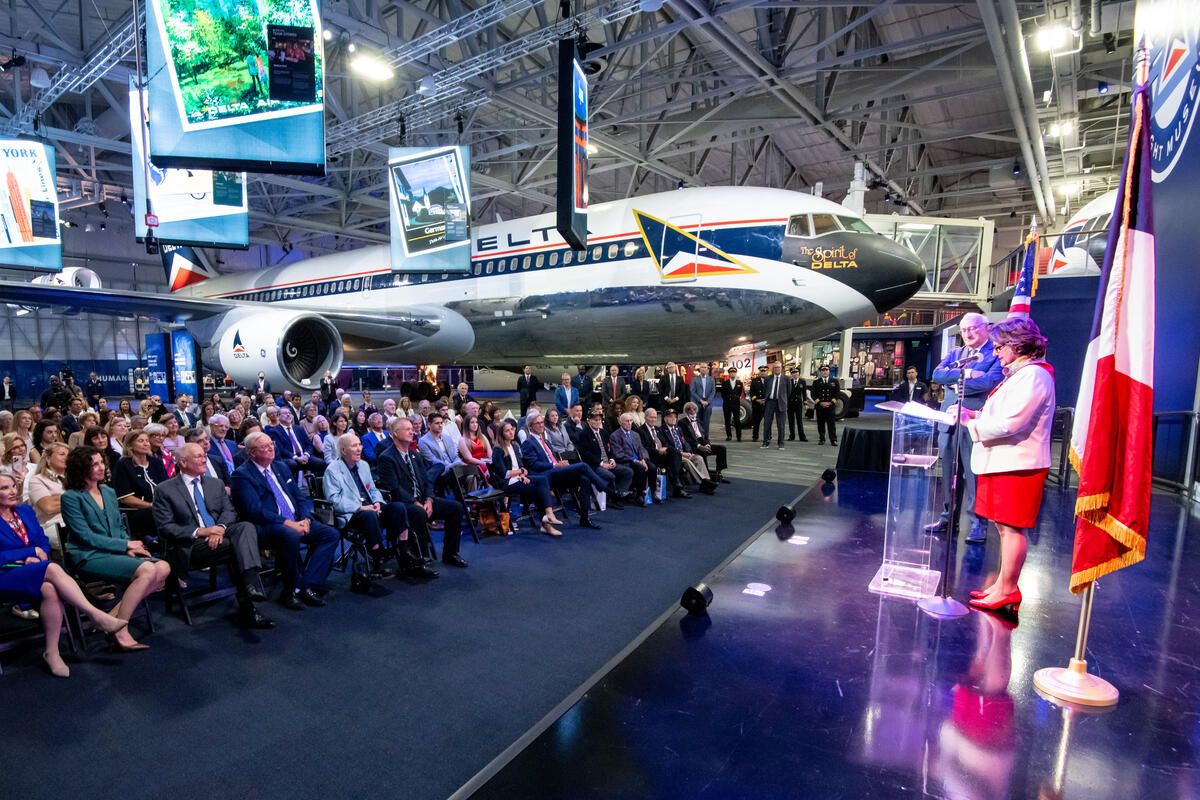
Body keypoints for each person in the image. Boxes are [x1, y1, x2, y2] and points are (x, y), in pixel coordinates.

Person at [960, 318, 1055, 616]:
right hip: (1004, 461)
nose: (996, 352)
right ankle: (1002, 584)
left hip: (1018, 464)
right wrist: (974, 415)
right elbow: (1001, 414)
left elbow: (1012, 423)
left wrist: (970, 424)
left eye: (1000, 347)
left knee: (1011, 529)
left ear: (1017, 345)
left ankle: (1009, 590)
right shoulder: (1021, 374)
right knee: (1003, 527)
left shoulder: (1034, 376)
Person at [0, 472, 130, 677]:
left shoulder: (25, 511)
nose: (12, 491)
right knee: (52, 568)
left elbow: (43, 542)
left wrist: (35, 555)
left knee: (50, 589)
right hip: (5, 574)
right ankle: (95, 615)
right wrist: (29, 553)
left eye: (13, 486)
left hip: (33, 569)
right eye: (4, 488)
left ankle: (52, 653)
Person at [61, 446, 172, 651]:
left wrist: (127, 547)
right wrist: (125, 544)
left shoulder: (109, 492)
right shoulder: (71, 497)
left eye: (101, 462)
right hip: (89, 555)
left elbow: (120, 526)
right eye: (94, 464)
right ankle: (121, 630)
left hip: (114, 553)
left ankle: (111, 620)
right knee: (148, 570)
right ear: (80, 468)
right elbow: (85, 536)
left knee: (163, 567)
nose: (101, 467)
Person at [152, 443, 273, 630]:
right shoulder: (165, 489)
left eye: (204, 455)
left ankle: (249, 589)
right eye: (198, 456)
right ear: (183, 462)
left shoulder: (215, 484)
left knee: (246, 527)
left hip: (219, 534)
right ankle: (249, 601)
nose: (204, 460)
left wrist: (219, 529)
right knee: (237, 546)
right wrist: (201, 532)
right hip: (190, 544)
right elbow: (165, 527)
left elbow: (230, 511)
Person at [231, 432, 340, 610]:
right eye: (264, 447)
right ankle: (289, 591)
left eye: (271, 444)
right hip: (267, 526)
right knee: (290, 535)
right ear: (252, 453)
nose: (271, 448)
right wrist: (289, 523)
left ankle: (308, 585)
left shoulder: (280, 467)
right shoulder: (242, 475)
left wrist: (305, 519)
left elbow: (300, 498)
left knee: (330, 534)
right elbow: (254, 510)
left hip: (296, 520)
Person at [927, 312, 1005, 543]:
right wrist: (967, 374)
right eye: (963, 330)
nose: (967, 334)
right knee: (948, 474)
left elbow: (989, 381)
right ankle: (947, 518)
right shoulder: (956, 353)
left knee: (974, 476)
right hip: (949, 423)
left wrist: (954, 383)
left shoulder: (995, 353)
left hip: (974, 422)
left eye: (972, 328)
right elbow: (937, 374)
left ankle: (977, 524)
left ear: (986, 328)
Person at [324, 433, 425, 578]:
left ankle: (404, 552)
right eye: (354, 446)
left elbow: (372, 489)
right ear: (343, 450)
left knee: (398, 507)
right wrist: (360, 507)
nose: (359, 449)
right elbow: (334, 500)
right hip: (351, 513)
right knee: (369, 515)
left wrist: (377, 502)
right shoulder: (332, 470)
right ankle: (378, 559)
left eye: (360, 444)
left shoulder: (363, 465)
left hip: (371, 506)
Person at [375, 416, 466, 569]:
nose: (412, 432)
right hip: (403, 503)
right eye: (407, 429)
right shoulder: (387, 457)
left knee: (456, 508)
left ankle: (450, 553)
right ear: (395, 433)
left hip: (423, 500)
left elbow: (427, 481)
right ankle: (421, 558)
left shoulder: (415, 455)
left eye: (412, 429)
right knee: (419, 512)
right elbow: (394, 488)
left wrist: (429, 499)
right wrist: (415, 502)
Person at [520, 412, 602, 528]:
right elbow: (534, 465)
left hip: (556, 473)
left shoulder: (546, 441)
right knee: (583, 466)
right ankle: (604, 487)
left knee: (584, 479)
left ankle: (585, 518)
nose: (541, 425)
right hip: (544, 476)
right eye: (537, 423)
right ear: (530, 426)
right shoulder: (528, 443)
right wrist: (555, 465)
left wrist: (560, 463)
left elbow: (553, 458)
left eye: (542, 422)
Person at [489, 420, 563, 536]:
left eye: (512, 429)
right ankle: (546, 524)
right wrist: (521, 472)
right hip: (506, 483)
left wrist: (523, 475)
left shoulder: (514, 445)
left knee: (542, 479)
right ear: (501, 434)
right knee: (537, 489)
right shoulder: (498, 449)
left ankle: (549, 514)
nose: (511, 432)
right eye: (507, 431)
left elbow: (522, 466)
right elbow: (504, 474)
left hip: (518, 478)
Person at [112, 429, 168, 539]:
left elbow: (166, 487)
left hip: (159, 508)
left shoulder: (155, 462)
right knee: (160, 514)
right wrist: (151, 506)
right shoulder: (123, 464)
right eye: (141, 441)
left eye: (147, 440)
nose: (146, 444)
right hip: (136, 512)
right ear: (130, 445)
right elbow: (126, 499)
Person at [576, 409, 632, 505]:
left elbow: (609, 449)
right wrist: (601, 463)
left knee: (628, 472)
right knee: (610, 476)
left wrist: (612, 459)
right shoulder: (583, 434)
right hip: (595, 465)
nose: (598, 422)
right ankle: (614, 498)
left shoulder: (604, 433)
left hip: (608, 462)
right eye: (595, 420)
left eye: (599, 420)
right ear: (589, 421)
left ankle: (619, 494)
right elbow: (586, 454)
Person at [638, 407, 689, 499]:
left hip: (663, 455)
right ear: (645, 417)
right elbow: (644, 447)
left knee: (675, 454)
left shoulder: (658, 429)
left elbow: (665, 442)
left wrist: (665, 448)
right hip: (652, 456)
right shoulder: (641, 430)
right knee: (675, 455)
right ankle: (677, 483)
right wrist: (658, 451)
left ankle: (678, 486)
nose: (653, 419)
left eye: (655, 417)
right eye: (651, 417)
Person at [609, 412, 658, 503]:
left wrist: (643, 459)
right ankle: (640, 495)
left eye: (631, 421)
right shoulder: (614, 436)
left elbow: (642, 449)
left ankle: (653, 493)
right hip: (627, 461)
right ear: (620, 423)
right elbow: (619, 454)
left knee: (652, 467)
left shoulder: (635, 434)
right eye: (627, 421)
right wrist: (635, 460)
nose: (629, 423)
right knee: (640, 467)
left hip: (639, 460)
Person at [681, 402, 729, 482]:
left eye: (694, 409)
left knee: (722, 448)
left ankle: (719, 473)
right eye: (689, 409)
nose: (692, 411)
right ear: (686, 411)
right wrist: (699, 446)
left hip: (703, 443)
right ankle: (706, 477)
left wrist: (707, 445)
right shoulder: (682, 422)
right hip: (693, 446)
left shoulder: (699, 421)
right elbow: (685, 439)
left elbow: (705, 435)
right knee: (702, 452)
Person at [26, 442, 68, 530]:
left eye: (69, 455)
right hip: (53, 526)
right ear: (48, 458)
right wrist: (79, 499)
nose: (67, 457)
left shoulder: (75, 479)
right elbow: (49, 507)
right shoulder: (37, 480)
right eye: (62, 454)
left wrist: (58, 498)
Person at [662, 408, 710, 483]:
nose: (673, 418)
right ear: (665, 419)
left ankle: (707, 479)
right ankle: (702, 482)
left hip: (685, 453)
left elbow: (685, 442)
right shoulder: (662, 430)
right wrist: (681, 453)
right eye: (670, 416)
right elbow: (666, 446)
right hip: (675, 455)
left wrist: (688, 452)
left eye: (675, 417)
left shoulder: (678, 429)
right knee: (687, 462)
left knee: (699, 458)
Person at [760, 362, 792, 450]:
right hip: (770, 403)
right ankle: (765, 442)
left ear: (781, 368)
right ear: (772, 369)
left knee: (781, 425)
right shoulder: (768, 378)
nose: (776, 369)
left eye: (778, 367)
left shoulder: (787, 379)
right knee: (767, 424)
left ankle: (781, 443)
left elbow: (789, 392)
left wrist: (783, 399)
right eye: (775, 367)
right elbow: (765, 390)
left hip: (781, 403)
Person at [810, 365, 841, 446]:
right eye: (823, 370)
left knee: (831, 424)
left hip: (830, 406)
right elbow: (813, 394)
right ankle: (822, 439)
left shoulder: (834, 381)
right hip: (820, 406)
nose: (824, 372)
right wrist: (820, 402)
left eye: (826, 370)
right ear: (820, 372)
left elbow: (837, 394)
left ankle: (833, 440)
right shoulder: (816, 382)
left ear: (829, 371)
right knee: (820, 424)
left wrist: (831, 403)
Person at [458, 414, 492, 479]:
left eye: (476, 422)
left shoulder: (482, 437)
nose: (475, 424)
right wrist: (484, 463)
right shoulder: (462, 440)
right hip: (473, 466)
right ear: (467, 425)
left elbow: (490, 454)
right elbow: (469, 459)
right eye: (472, 422)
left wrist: (491, 462)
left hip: (486, 462)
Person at [690, 363, 716, 439]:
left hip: (708, 403)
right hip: (697, 402)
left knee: (706, 422)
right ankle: (699, 438)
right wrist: (700, 400)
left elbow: (713, 392)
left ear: (707, 369)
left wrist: (707, 401)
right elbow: (693, 392)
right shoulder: (695, 379)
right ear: (699, 369)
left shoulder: (711, 379)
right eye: (702, 367)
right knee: (697, 421)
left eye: (705, 367)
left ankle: (706, 438)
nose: (703, 369)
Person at [720, 367, 744, 442]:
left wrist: (735, 399)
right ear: (729, 374)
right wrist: (727, 399)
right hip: (727, 404)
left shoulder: (739, 383)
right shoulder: (725, 383)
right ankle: (729, 436)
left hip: (736, 404)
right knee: (727, 420)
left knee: (737, 420)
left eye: (734, 372)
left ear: (736, 373)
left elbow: (739, 393)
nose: (732, 374)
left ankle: (739, 436)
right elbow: (722, 394)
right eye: (731, 373)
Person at [787, 368, 809, 442]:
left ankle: (802, 437)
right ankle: (792, 436)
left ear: (799, 373)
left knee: (799, 420)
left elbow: (804, 393)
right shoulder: (789, 381)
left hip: (798, 403)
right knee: (791, 420)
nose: (795, 374)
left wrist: (805, 403)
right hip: (790, 403)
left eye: (796, 372)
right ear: (791, 374)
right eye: (793, 372)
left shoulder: (802, 381)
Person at [748, 365, 768, 441]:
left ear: (767, 372)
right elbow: (751, 392)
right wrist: (756, 400)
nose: (763, 372)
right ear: (759, 372)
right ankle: (755, 436)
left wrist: (766, 400)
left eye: (764, 371)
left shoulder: (770, 380)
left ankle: (768, 436)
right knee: (756, 422)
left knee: (768, 422)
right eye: (761, 371)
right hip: (757, 404)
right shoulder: (754, 381)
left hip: (767, 404)